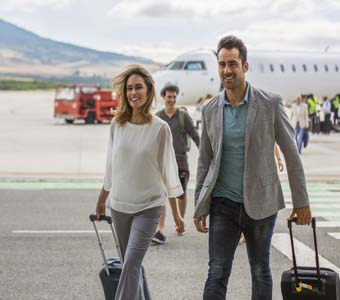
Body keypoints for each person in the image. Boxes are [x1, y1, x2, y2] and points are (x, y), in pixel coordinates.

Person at [194, 35, 312, 300]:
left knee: (260, 271)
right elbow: (205, 161)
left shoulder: (269, 103)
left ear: (245, 66)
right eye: (222, 64)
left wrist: (301, 201)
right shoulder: (210, 109)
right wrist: (200, 203)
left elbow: (292, 155)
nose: (227, 70)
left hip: (261, 203)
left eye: (233, 63)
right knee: (217, 272)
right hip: (223, 203)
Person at [95, 64, 183, 300]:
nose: (133, 92)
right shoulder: (117, 125)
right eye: (129, 88)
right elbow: (110, 167)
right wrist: (102, 199)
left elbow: (169, 174)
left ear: (149, 91)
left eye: (138, 87)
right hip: (119, 206)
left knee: (131, 264)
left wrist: (176, 215)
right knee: (130, 267)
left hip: (149, 206)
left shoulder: (160, 129)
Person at [152, 82, 200, 244]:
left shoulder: (182, 116)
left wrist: (204, 152)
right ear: (163, 97)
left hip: (180, 161)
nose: (171, 99)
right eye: (168, 96)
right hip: (162, 162)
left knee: (180, 193)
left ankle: (179, 222)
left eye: (173, 97)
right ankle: (160, 229)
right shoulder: (158, 116)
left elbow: (194, 134)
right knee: (162, 194)